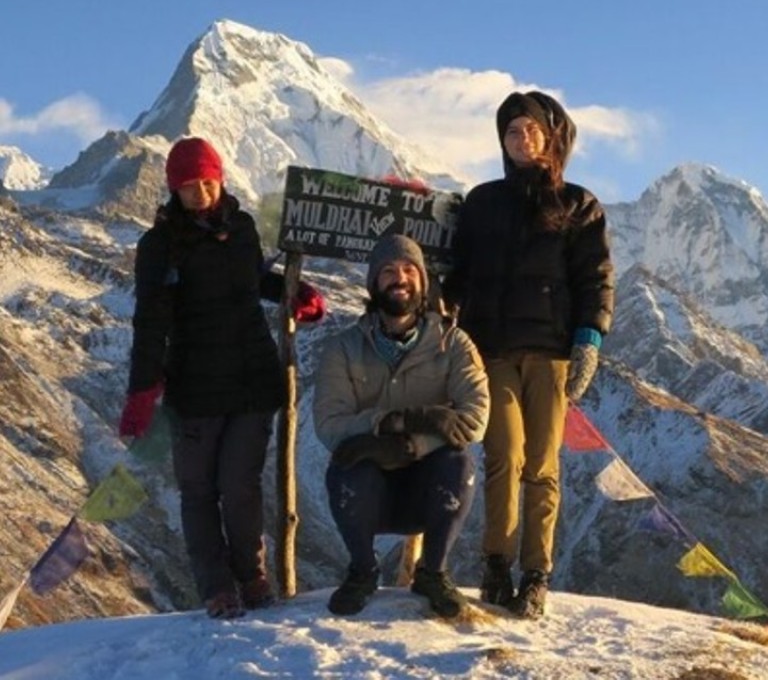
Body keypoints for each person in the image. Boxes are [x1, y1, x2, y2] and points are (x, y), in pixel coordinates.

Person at [119, 136, 325, 619]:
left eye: (206, 182)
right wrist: (142, 390)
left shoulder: (244, 229)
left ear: (220, 179)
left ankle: (251, 577)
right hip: (194, 386)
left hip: (252, 378)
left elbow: (252, 279)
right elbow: (150, 320)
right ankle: (216, 586)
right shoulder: (159, 246)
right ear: (174, 189)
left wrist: (293, 293)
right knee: (198, 490)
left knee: (241, 485)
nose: (199, 193)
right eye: (188, 186)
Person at [442, 90, 614, 619]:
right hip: (491, 351)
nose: (522, 139)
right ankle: (496, 563)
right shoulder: (481, 202)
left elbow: (595, 279)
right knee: (502, 456)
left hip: (550, 354)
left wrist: (590, 338)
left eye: (531, 130)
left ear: (551, 137)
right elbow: (460, 270)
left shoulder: (578, 205)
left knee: (542, 465)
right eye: (512, 132)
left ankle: (536, 574)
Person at [313, 234, 489, 618]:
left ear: (423, 282)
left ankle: (432, 572)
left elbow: (475, 416)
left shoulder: (454, 344)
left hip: (427, 487)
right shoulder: (342, 348)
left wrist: (410, 446)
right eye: (388, 271)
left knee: (459, 464)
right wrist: (397, 420)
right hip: (369, 488)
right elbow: (329, 424)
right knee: (346, 468)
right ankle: (362, 570)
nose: (400, 278)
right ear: (374, 284)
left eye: (409, 270)